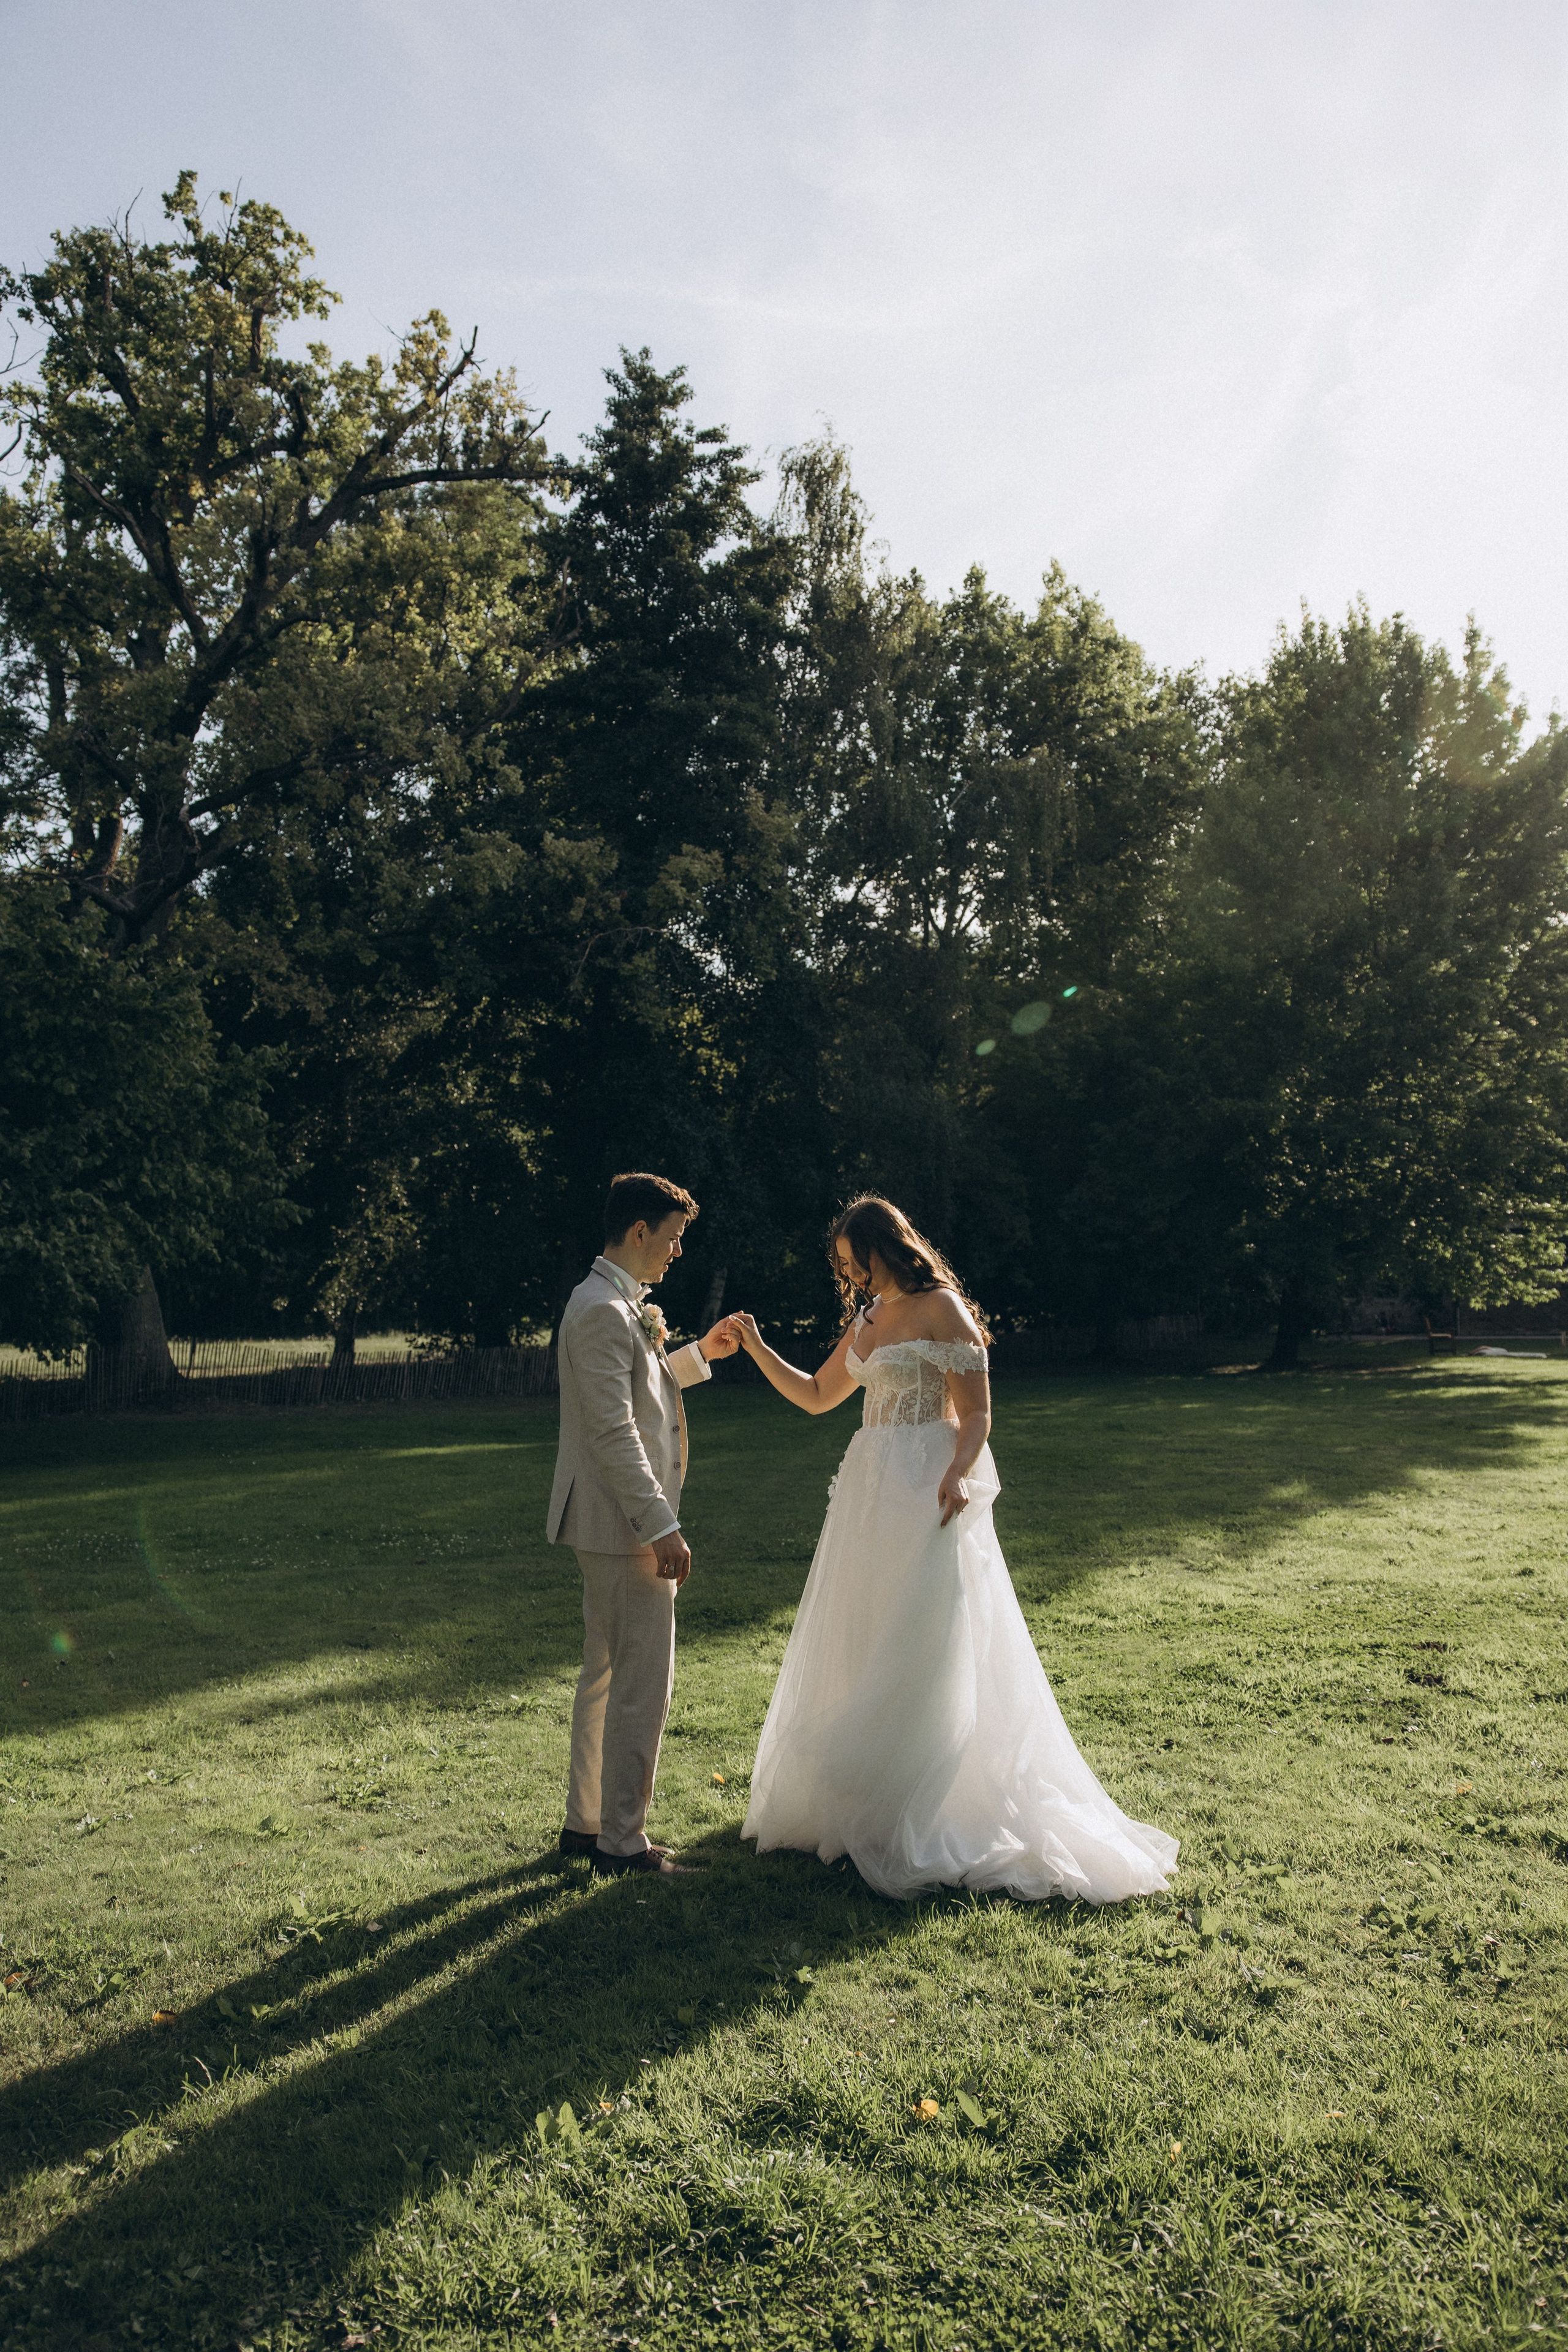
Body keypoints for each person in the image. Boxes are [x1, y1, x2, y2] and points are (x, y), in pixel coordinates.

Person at [732, 1194, 1177, 1904]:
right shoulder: (868, 1319)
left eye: (857, 1261)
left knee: (926, 1636)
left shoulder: (944, 1308)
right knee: (867, 1628)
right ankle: (866, 1800)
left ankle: (932, 1803)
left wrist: (957, 1472)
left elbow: (977, 1414)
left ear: (887, 1247)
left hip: (926, 1484)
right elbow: (819, 1395)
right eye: (844, 1266)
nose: (852, 1276)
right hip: (868, 1491)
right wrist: (756, 1347)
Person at [546, 1172, 740, 1877]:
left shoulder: (610, 1303)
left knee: (604, 1675)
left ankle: (586, 1824)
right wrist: (660, 1525)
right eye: (672, 1238)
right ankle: (622, 1844)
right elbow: (613, 1431)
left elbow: (638, 1386)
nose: (676, 1253)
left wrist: (696, 1357)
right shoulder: (602, 1308)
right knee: (640, 1683)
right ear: (638, 1233)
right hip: (623, 1523)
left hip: (605, 1521)